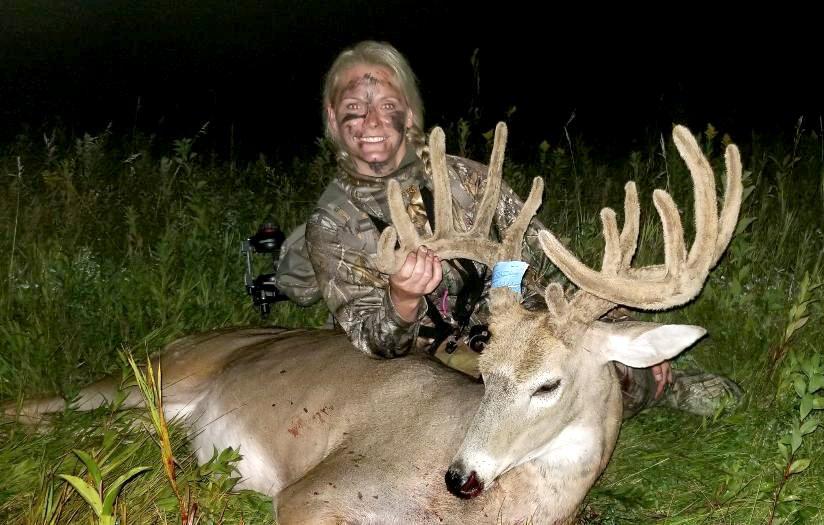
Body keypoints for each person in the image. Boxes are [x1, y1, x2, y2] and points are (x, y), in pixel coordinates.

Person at [276, 40, 740, 418]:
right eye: (355, 106)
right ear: (334, 119)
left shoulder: (466, 179)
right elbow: (371, 341)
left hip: (509, 329)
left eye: (387, 105)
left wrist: (622, 328)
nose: (372, 121)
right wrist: (401, 300)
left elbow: (540, 261)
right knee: (456, 412)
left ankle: (660, 384)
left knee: (613, 372)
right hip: (418, 361)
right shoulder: (330, 223)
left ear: (409, 115)